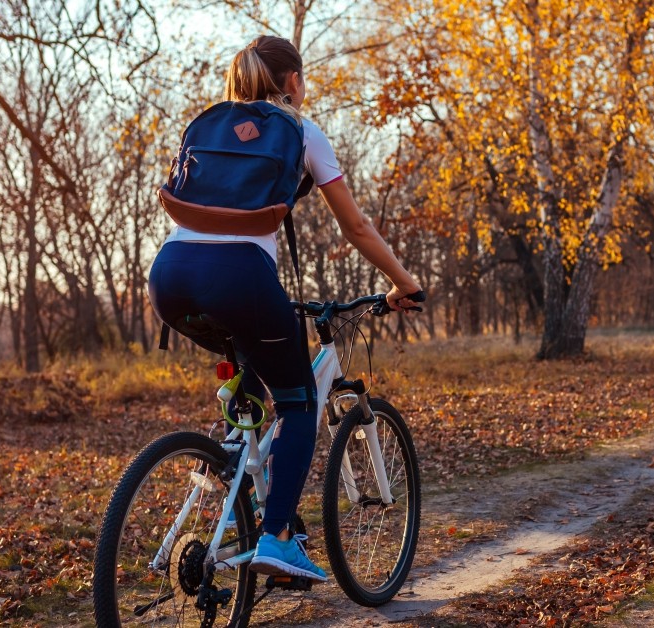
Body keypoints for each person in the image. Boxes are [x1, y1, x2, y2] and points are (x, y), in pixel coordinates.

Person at [147, 35, 422, 581]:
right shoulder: (301, 130)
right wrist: (404, 283)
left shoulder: (211, 126)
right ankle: (276, 539)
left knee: (254, 364)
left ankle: (235, 451)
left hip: (170, 276)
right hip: (240, 279)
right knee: (298, 403)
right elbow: (356, 227)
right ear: (293, 82)